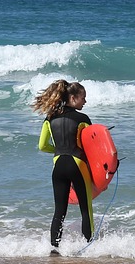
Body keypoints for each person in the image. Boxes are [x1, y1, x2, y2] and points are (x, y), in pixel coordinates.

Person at [32, 79, 93, 252]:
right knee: (85, 210)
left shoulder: (50, 118)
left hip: (58, 166)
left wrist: (58, 149)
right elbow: (92, 146)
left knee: (59, 211)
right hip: (77, 164)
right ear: (73, 98)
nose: (85, 101)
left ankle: (54, 248)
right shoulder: (83, 119)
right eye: (83, 98)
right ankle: (89, 247)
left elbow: (43, 145)